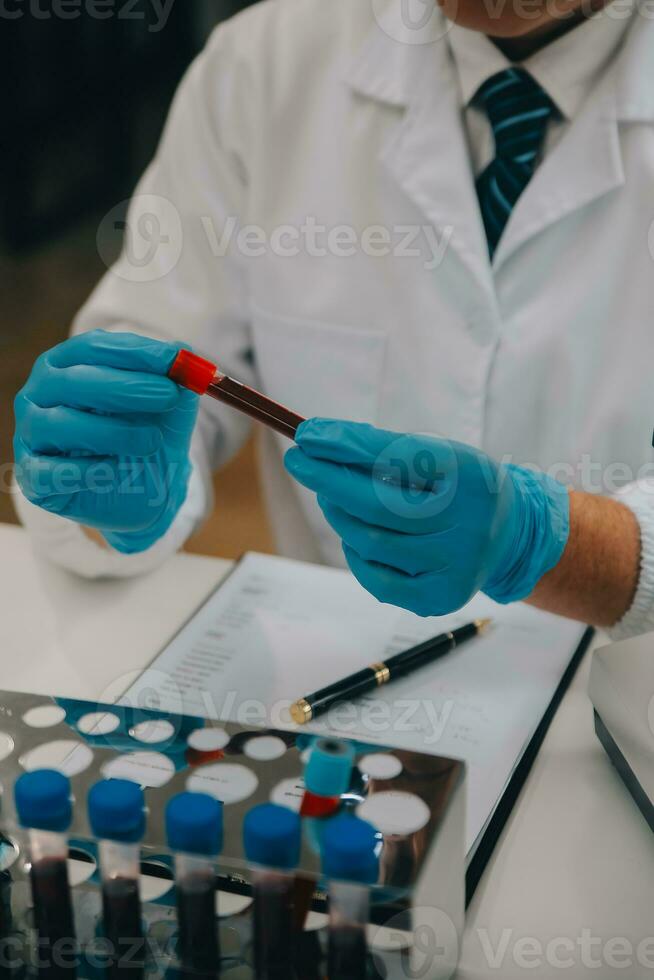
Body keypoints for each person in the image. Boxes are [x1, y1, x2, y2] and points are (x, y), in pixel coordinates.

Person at [12, 0, 654, 637]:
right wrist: (109, 477)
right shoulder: (268, 63)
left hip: (621, 690)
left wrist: (560, 550)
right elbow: (161, 358)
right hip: (333, 661)